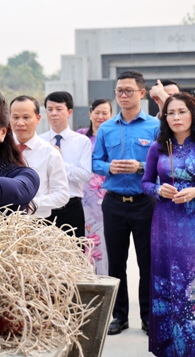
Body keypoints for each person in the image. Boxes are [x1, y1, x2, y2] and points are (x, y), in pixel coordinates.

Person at [142, 92, 195, 356]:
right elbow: (145, 183)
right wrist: (159, 191)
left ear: (193, 114)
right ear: (164, 117)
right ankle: (168, 348)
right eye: (171, 113)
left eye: (182, 111)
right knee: (165, 280)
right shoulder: (157, 147)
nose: (176, 117)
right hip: (165, 222)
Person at [92, 70, 160, 335]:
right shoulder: (107, 127)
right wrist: (111, 167)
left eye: (128, 91)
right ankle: (119, 316)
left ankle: (147, 316)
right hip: (114, 203)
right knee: (116, 263)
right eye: (119, 91)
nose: (123, 95)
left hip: (146, 203)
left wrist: (141, 166)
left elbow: (163, 163)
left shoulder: (154, 126)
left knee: (148, 262)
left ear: (142, 93)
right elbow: (95, 163)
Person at [39, 91, 92, 239]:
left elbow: (86, 175)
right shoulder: (39, 142)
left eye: (58, 109)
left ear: (69, 112)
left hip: (71, 206)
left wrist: (59, 162)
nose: (53, 113)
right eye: (49, 109)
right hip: (45, 206)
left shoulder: (82, 141)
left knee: (74, 255)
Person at [9, 95, 69, 221]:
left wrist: (31, 203)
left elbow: (62, 195)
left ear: (38, 118)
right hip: (4, 224)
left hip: (37, 223)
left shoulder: (50, 153)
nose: (20, 123)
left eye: (26, 117)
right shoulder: (0, 150)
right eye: (15, 117)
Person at [77, 99, 112, 274]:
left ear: (111, 115)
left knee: (105, 244)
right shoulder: (81, 136)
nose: (100, 116)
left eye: (105, 113)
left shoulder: (114, 137)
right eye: (97, 112)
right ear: (90, 113)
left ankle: (103, 282)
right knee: (84, 242)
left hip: (107, 196)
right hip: (84, 197)